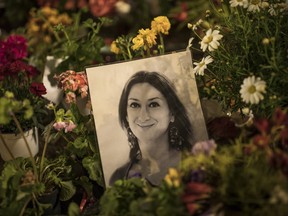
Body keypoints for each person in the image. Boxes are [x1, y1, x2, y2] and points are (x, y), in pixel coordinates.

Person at [109, 71, 193, 186]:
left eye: (153, 104)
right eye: (135, 105)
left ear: (172, 113)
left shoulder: (197, 164)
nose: (143, 116)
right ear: (126, 115)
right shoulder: (119, 178)